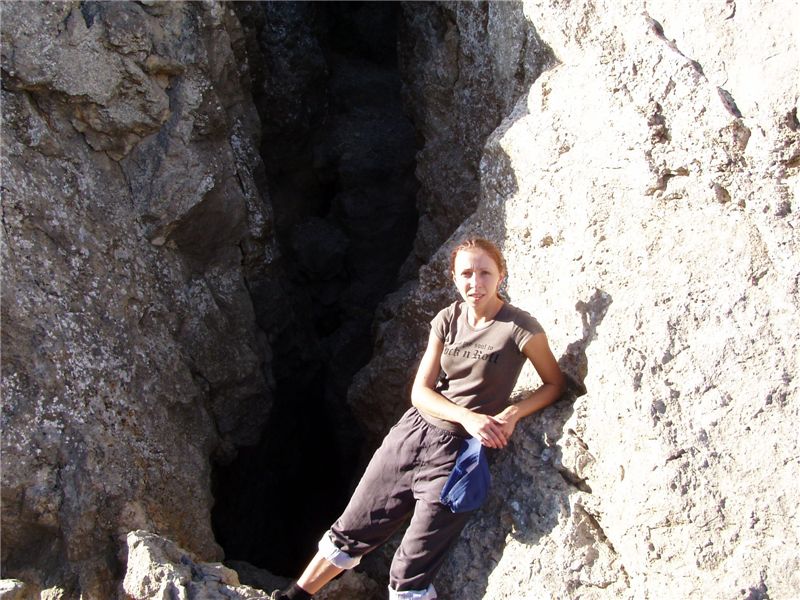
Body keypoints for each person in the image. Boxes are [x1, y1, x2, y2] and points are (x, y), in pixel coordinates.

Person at [270, 238, 565, 600]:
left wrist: (513, 413)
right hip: (412, 435)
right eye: (466, 274)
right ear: (454, 278)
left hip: (457, 458)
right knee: (352, 528)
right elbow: (420, 392)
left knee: (409, 571)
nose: (475, 283)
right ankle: (294, 597)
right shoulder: (448, 318)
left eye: (485, 273)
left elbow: (554, 383)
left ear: (501, 275)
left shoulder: (520, 327)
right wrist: (468, 416)